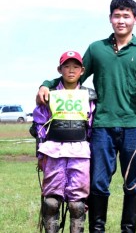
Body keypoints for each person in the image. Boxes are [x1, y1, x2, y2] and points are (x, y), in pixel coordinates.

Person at [36, 0, 136, 232]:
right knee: (98, 185)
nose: (121, 20)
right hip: (102, 127)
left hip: (135, 128)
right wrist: (46, 84)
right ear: (110, 18)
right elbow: (73, 76)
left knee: (134, 185)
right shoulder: (96, 49)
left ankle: (128, 230)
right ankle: (97, 230)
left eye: (126, 16)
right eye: (117, 16)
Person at [30, 51, 96, 232]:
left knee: (77, 205)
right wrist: (40, 153)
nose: (71, 70)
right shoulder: (48, 95)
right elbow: (39, 125)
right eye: (67, 66)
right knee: (51, 202)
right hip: (53, 151)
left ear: (82, 70)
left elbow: (91, 125)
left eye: (75, 66)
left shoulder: (89, 96)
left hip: (80, 152)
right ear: (60, 69)